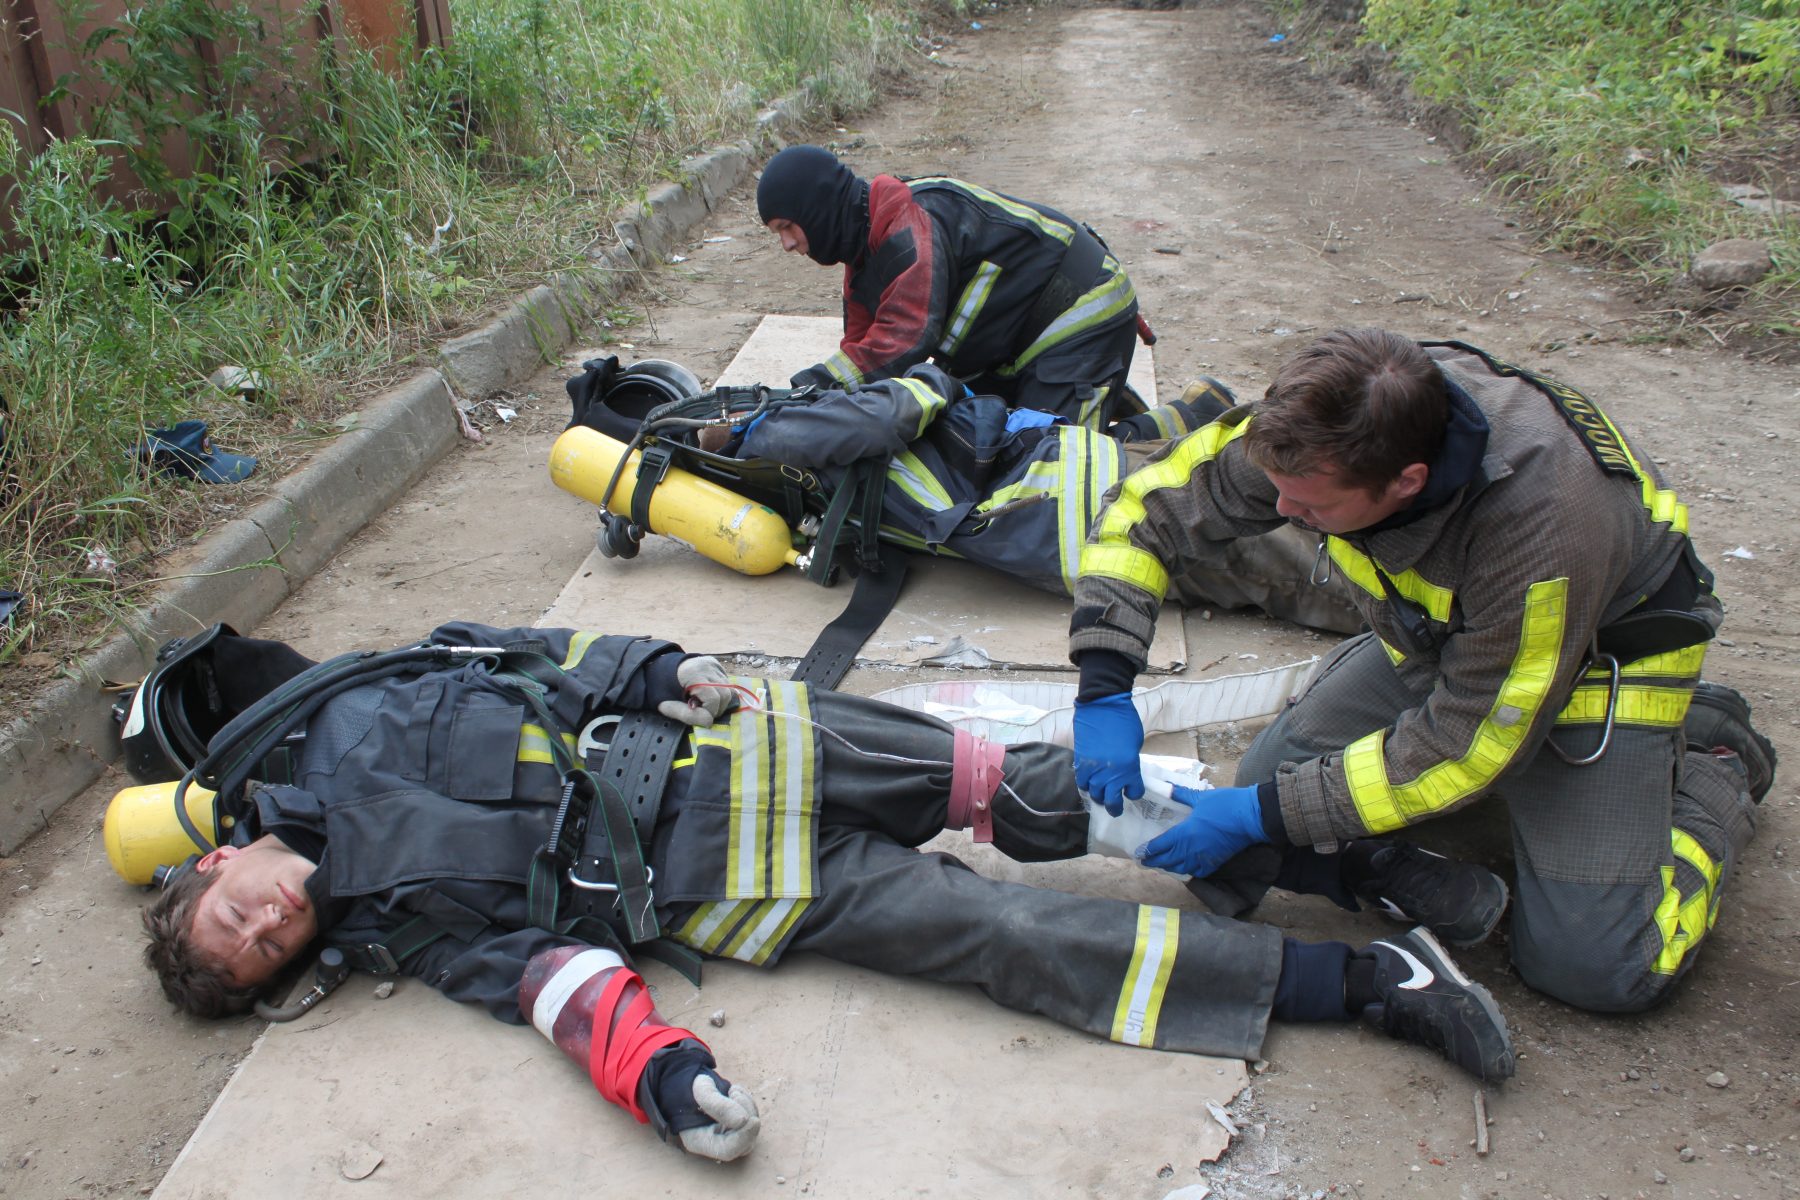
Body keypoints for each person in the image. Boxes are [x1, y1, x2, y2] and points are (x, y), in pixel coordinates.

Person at [140, 620, 1516, 1163]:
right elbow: (547, 982)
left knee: (1047, 794)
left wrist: (659, 667)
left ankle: (1340, 858)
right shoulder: (400, 927)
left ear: (220, 861)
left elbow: (532, 657)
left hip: (758, 737)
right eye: (263, 957)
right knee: (1002, 933)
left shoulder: (352, 709)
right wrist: (665, 1079)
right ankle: (1369, 982)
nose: (268, 927)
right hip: (741, 887)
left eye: (233, 917)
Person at [1067, 329, 1776, 1015]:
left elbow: (1468, 746)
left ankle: (1715, 764)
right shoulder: (1336, 423)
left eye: (1310, 506)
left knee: (1595, 965)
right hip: (1446, 638)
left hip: (1600, 658)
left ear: (1409, 481)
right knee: (1272, 788)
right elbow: (1142, 512)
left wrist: (1263, 815)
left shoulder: (1541, 529)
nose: (1282, 511)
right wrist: (1105, 685)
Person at [756, 144, 1144, 432]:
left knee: (1050, 460)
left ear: (817, 207)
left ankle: (1172, 430)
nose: (787, 244)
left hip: (1082, 310)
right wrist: (806, 402)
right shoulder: (863, 264)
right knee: (979, 439)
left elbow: (905, 337)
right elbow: (864, 359)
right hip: (1019, 341)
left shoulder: (910, 221)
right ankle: (1103, 405)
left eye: (787, 227)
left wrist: (800, 391)